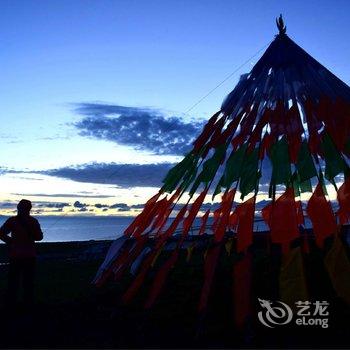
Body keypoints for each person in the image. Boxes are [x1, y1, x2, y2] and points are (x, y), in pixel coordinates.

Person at [0, 199, 43, 307]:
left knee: (14, 283)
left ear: (19, 208)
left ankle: (12, 305)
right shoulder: (33, 221)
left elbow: (1, 234)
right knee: (27, 283)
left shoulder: (12, 221)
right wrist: (10, 241)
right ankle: (26, 305)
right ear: (29, 209)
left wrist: (9, 242)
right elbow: (39, 237)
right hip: (28, 256)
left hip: (17, 256)